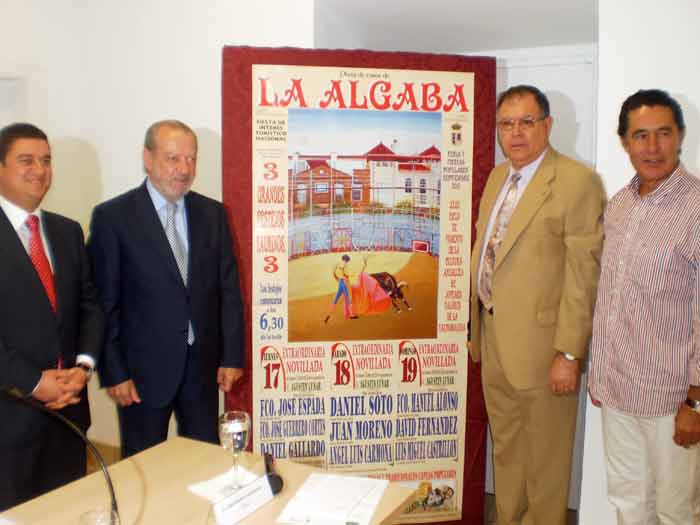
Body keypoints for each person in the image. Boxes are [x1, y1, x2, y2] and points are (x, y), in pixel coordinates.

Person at [469, 85, 605, 524]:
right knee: (507, 451)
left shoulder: (576, 181)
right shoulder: (496, 177)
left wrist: (568, 353)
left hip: (546, 351)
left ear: (548, 125)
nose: (516, 133)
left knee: (546, 462)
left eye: (527, 122)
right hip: (492, 343)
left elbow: (584, 276)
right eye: (506, 124)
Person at [88, 120, 244, 458]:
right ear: (148, 158)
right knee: (143, 469)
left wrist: (231, 356)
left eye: (191, 159)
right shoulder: (113, 218)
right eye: (173, 158)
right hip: (141, 375)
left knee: (204, 461)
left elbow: (229, 290)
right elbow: (104, 304)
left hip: (202, 369)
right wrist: (114, 372)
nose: (184, 169)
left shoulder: (212, 214)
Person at [589, 89, 700, 523]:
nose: (652, 147)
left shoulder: (695, 208)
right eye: (640, 136)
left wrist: (695, 401)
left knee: (676, 511)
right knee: (627, 502)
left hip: (672, 398)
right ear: (625, 142)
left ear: (680, 137)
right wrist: (599, 373)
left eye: (663, 134)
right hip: (618, 389)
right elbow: (610, 296)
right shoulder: (619, 204)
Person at [0, 123, 104, 509]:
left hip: (69, 416)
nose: (39, 170)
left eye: (46, 160)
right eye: (25, 160)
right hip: (9, 424)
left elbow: (90, 306)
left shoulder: (66, 231)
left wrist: (83, 368)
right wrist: (33, 383)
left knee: (68, 511)